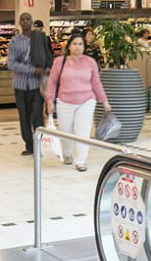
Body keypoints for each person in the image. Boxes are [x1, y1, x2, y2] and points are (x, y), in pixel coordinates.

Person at [44, 33, 110, 171]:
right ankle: (67, 153)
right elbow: (52, 82)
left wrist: (104, 101)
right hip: (64, 101)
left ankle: (81, 161)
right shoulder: (60, 61)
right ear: (69, 46)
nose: (78, 47)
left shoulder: (90, 62)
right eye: (75, 44)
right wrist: (49, 100)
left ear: (84, 46)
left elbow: (96, 83)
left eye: (80, 44)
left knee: (83, 131)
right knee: (66, 130)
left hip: (86, 101)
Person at [10, 13, 45, 156]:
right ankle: (29, 145)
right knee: (24, 116)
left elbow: (47, 56)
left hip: (37, 85)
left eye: (28, 19)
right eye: (22, 19)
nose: (25, 21)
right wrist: (32, 69)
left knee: (38, 116)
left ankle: (40, 145)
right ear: (19, 22)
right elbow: (11, 63)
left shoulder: (40, 38)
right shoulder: (15, 41)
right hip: (21, 85)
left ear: (32, 21)